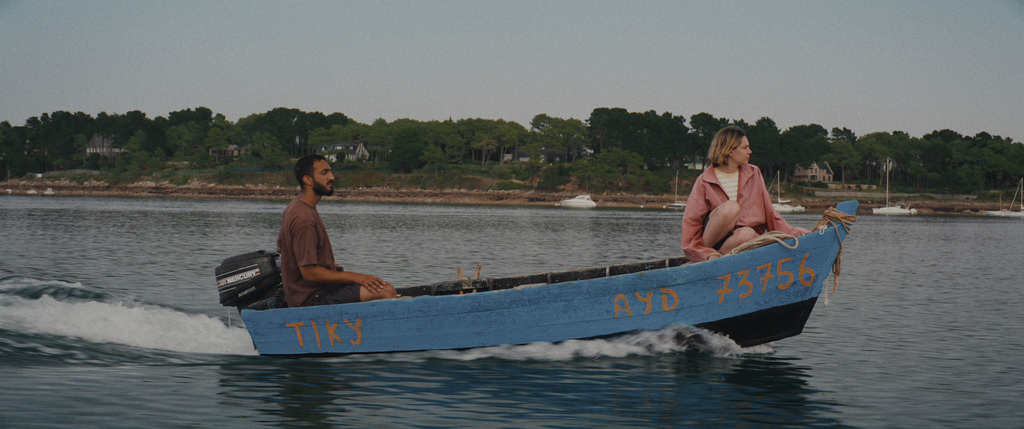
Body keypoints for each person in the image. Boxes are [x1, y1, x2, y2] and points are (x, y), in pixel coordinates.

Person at [277, 154, 397, 307]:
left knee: (375, 285)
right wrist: (357, 278)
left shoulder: (296, 206)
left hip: (316, 290)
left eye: (330, 172)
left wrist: (326, 265)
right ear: (307, 179)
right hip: (310, 297)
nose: (331, 177)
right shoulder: (304, 218)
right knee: (386, 291)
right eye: (324, 173)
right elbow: (308, 272)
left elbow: (281, 247)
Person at [681, 126, 810, 262]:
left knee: (746, 233)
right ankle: (706, 258)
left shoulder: (754, 173)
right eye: (745, 148)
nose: (750, 151)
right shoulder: (704, 180)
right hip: (713, 241)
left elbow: (770, 213)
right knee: (730, 208)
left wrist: (796, 234)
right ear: (730, 150)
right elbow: (691, 222)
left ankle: (718, 259)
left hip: (744, 240)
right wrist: (702, 252)